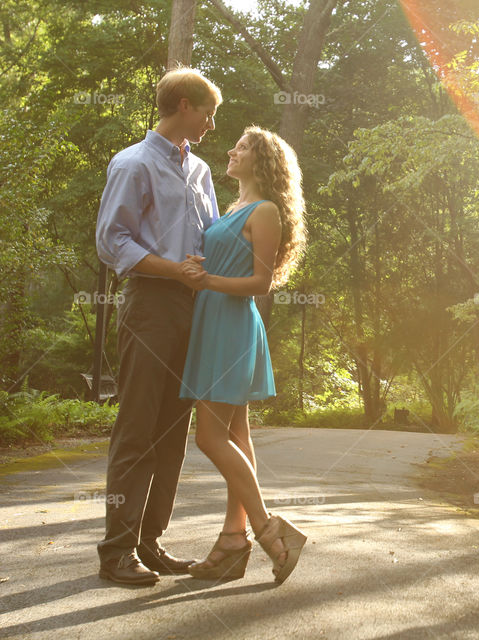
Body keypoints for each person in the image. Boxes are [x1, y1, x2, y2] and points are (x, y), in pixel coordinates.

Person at [95, 67, 221, 585]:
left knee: (173, 430)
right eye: (209, 112)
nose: (213, 124)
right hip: (150, 304)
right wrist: (174, 270)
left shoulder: (202, 170)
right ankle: (116, 551)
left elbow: (213, 237)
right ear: (185, 104)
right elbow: (112, 241)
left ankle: (150, 543)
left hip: (195, 308)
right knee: (138, 426)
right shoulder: (134, 162)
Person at [178, 125, 308, 584]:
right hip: (213, 319)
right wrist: (201, 269)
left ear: (264, 161)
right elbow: (224, 263)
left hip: (232, 325)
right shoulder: (232, 207)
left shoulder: (267, 210)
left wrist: (206, 281)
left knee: (209, 439)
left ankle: (269, 532)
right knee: (235, 432)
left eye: (244, 147)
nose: (232, 151)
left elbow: (261, 283)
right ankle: (233, 542)